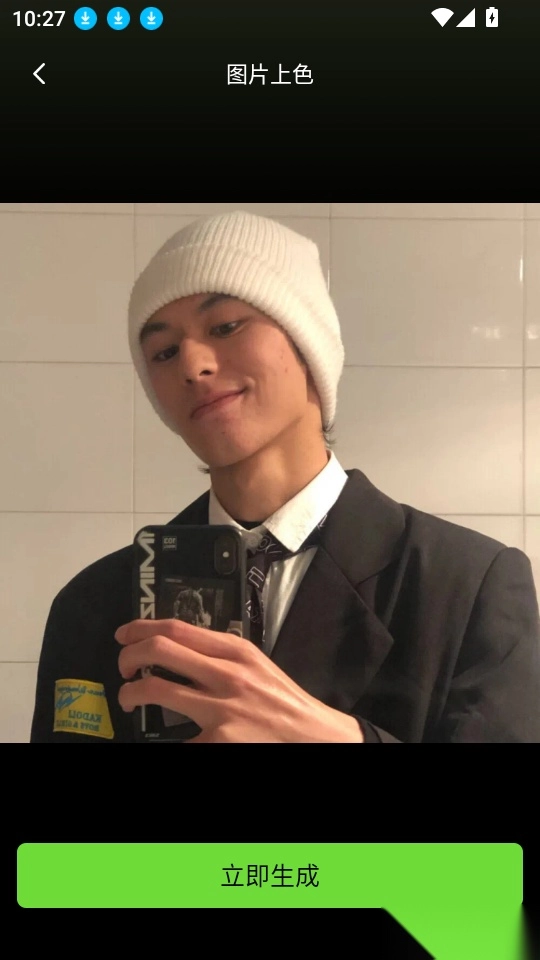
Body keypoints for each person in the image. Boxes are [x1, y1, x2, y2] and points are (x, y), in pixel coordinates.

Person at [30, 210, 540, 743]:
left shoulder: (467, 587)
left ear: (308, 341)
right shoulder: (95, 604)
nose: (192, 365)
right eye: (164, 352)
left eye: (225, 326)